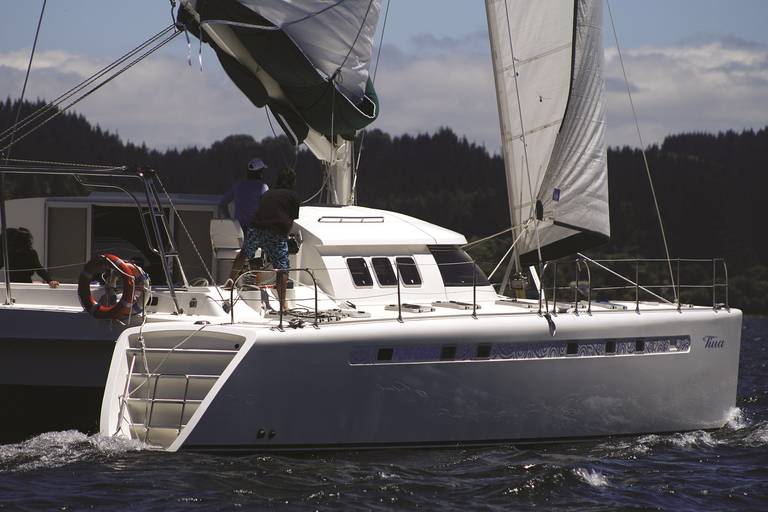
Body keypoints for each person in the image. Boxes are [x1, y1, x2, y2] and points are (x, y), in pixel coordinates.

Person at [230, 168, 300, 310]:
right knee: (282, 267)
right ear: (293, 182)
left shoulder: (268, 193)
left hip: (256, 227)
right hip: (274, 232)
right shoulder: (293, 197)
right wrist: (285, 236)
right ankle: (283, 305)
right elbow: (290, 221)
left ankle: (229, 282)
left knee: (245, 253)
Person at [219, 157, 269, 284]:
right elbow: (267, 206)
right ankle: (255, 289)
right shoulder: (262, 187)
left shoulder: (238, 185)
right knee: (256, 261)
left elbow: (222, 204)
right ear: (260, 173)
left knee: (242, 255)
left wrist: (229, 219)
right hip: (255, 228)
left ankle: (232, 280)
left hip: (238, 229)